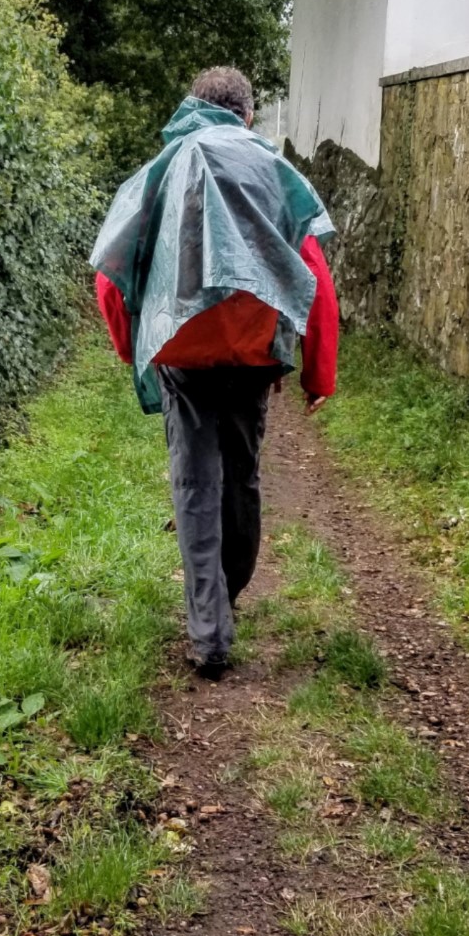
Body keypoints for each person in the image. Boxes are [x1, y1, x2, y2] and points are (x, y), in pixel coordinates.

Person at [90, 67, 340, 679]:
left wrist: (134, 348)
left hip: (182, 356)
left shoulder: (169, 167)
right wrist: (317, 374)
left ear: (193, 108)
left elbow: (112, 273)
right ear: (248, 116)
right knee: (241, 481)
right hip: (254, 356)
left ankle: (209, 636)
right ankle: (227, 597)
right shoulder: (268, 171)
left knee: (195, 489)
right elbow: (313, 277)